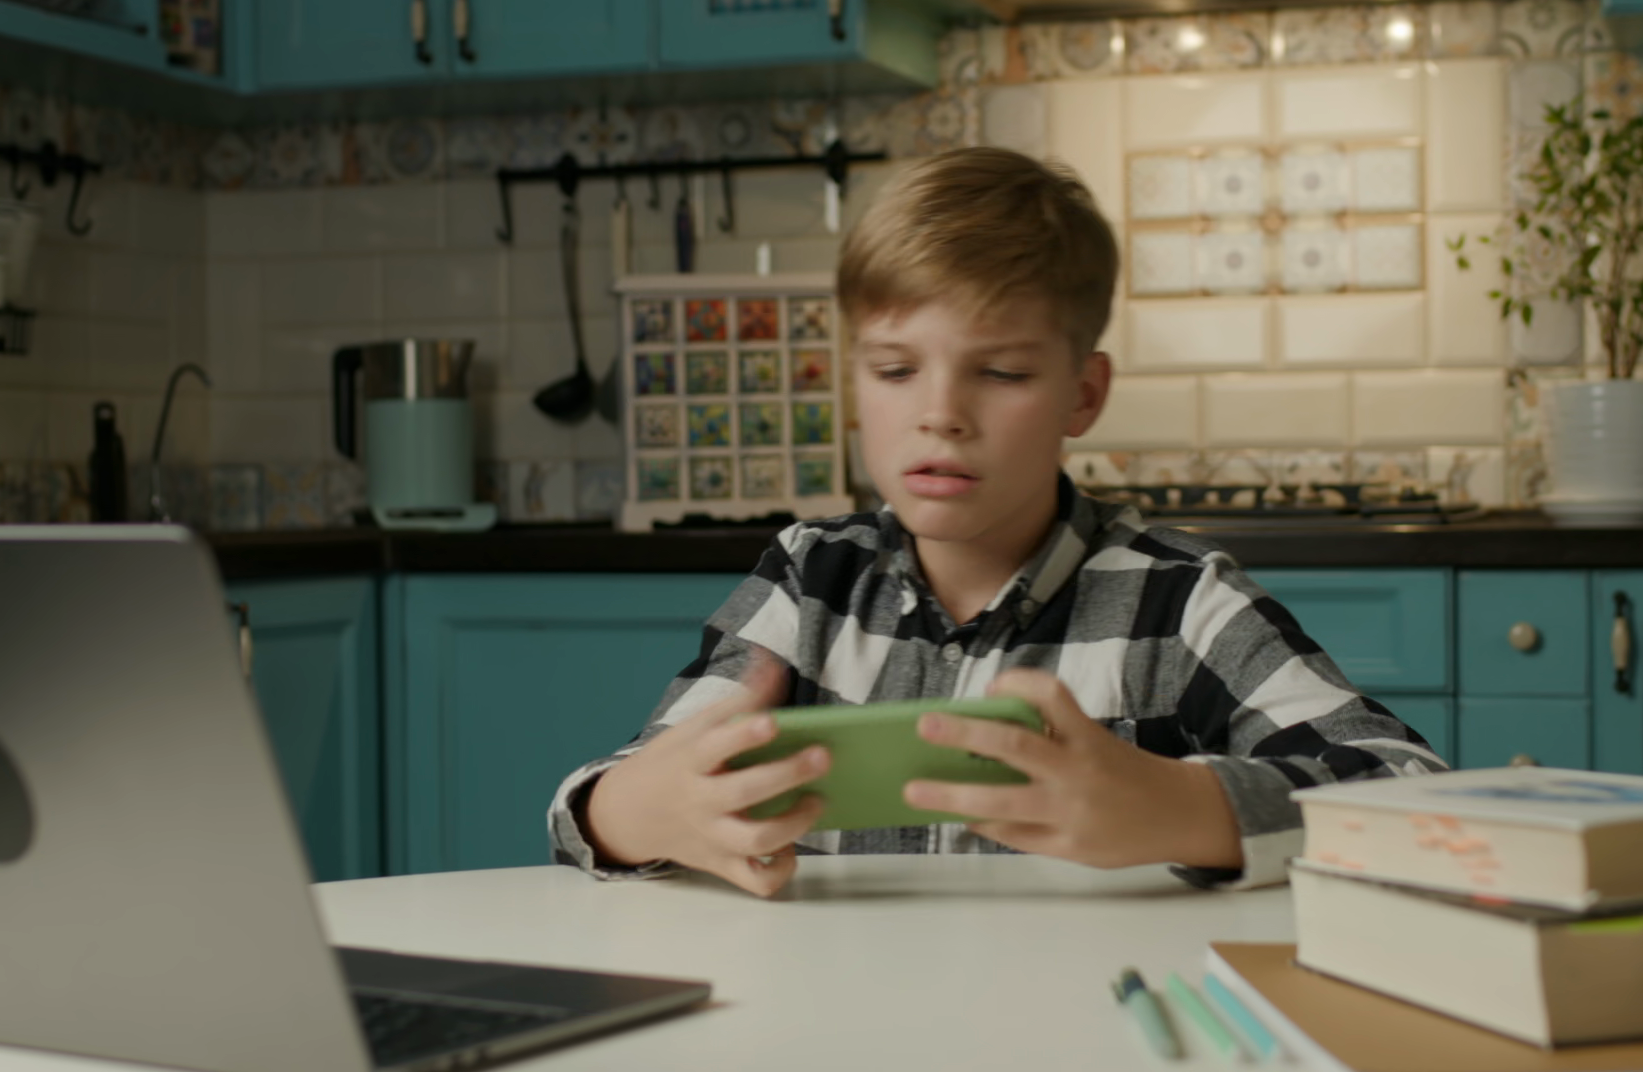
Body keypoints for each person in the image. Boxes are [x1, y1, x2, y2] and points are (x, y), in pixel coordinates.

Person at [548, 146, 1446, 898]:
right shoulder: (807, 579)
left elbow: (1414, 800)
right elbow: (607, 801)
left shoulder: (1180, 603)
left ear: (1082, 394)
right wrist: (637, 811)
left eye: (1002, 373)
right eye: (896, 371)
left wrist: (1176, 808)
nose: (940, 414)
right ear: (854, 384)